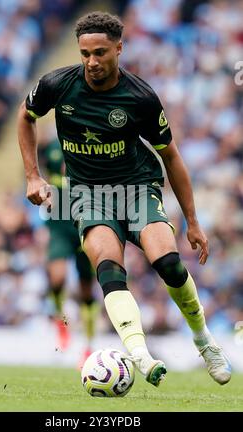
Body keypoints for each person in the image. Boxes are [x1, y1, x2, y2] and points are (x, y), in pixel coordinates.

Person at [17, 11, 231, 386]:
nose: (91, 62)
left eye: (100, 53)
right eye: (85, 53)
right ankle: (140, 356)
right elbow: (26, 115)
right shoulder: (57, 84)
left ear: (119, 48)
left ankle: (204, 340)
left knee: (168, 263)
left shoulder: (141, 97)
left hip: (137, 187)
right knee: (108, 267)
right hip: (86, 194)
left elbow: (171, 156)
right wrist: (32, 174)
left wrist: (193, 222)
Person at [38, 136, 99, 362]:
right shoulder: (51, 146)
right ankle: (61, 321)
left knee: (86, 289)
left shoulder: (92, 142)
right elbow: (38, 172)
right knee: (57, 278)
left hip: (85, 223)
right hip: (59, 225)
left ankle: (89, 345)